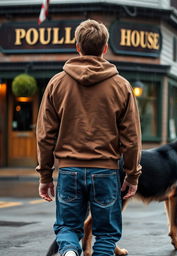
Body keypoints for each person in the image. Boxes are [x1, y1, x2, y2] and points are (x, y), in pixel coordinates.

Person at [36, 19, 142, 256]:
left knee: (67, 228)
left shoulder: (57, 83)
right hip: (105, 171)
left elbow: (45, 135)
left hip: (68, 170)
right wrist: (133, 176)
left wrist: (45, 175)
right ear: (105, 48)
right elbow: (132, 138)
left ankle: (70, 252)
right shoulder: (121, 86)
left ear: (77, 47)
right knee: (105, 234)